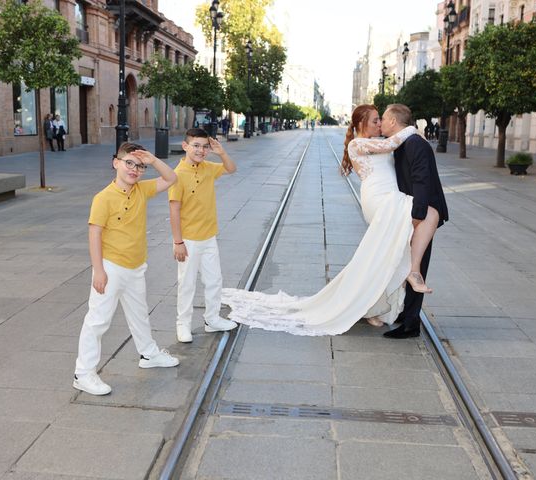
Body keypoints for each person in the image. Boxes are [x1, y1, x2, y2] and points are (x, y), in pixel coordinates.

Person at [221, 104, 425, 336]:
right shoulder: (357, 143)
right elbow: (390, 144)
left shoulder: (377, 143)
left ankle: (372, 305)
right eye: (375, 121)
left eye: (380, 120)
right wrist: (411, 129)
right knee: (421, 220)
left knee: (385, 255)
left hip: (389, 196)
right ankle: (374, 301)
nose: (379, 124)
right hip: (380, 200)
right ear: (361, 124)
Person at [73, 142, 180, 396]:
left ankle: (149, 354)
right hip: (111, 267)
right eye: (129, 163)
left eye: (139, 166)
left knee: (139, 313)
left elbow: (172, 177)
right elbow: (94, 233)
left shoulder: (142, 190)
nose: (134, 169)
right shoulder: (103, 198)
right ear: (116, 163)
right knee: (98, 321)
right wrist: (98, 270)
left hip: (135, 266)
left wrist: (152, 160)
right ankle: (83, 373)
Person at [381, 104, 449, 339]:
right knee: (408, 263)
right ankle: (406, 314)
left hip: (424, 212)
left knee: (417, 266)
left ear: (392, 121)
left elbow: (422, 180)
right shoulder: (404, 143)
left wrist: (417, 216)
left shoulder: (415, 144)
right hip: (412, 209)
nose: (380, 123)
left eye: (383, 119)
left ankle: (411, 323)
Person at [169, 128, 238, 343]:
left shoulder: (208, 168)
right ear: (185, 146)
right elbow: (174, 210)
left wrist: (221, 152)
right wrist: (178, 242)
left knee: (214, 280)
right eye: (196, 145)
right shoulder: (177, 175)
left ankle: (212, 319)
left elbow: (231, 169)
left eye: (204, 146)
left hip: (209, 236)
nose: (200, 150)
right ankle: (183, 325)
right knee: (187, 283)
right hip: (188, 239)